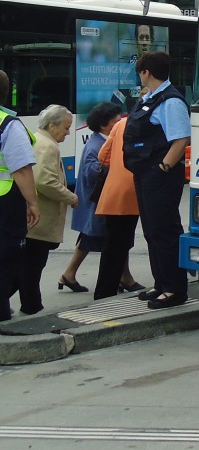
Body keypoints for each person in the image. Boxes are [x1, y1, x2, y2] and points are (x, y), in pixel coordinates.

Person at [124, 51, 190, 309]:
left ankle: (174, 289)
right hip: (144, 173)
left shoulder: (171, 101)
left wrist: (163, 167)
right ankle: (161, 283)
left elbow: (181, 138)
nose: (139, 77)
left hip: (159, 174)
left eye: (139, 73)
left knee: (165, 231)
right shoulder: (150, 98)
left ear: (146, 73)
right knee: (152, 230)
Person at [58, 102, 126, 293]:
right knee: (112, 239)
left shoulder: (102, 140)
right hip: (96, 202)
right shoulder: (97, 144)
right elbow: (91, 172)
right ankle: (124, 278)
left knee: (100, 239)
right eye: (116, 121)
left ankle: (69, 274)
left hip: (98, 203)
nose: (120, 123)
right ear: (105, 125)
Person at [18, 105, 77, 315]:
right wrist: (71, 197)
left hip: (34, 219)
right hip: (40, 220)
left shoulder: (39, 139)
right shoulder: (47, 146)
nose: (68, 133)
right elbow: (45, 181)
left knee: (29, 266)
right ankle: (31, 307)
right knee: (33, 266)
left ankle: (31, 304)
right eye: (66, 128)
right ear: (52, 125)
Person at [0, 71, 39, 322]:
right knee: (8, 261)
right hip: (5, 204)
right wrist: (33, 202)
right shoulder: (8, 124)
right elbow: (21, 168)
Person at [94, 114, 145, 299]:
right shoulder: (152, 123)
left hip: (114, 191)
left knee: (113, 245)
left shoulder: (121, 124)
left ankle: (105, 291)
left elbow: (102, 156)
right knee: (121, 243)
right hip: (134, 190)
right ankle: (106, 293)